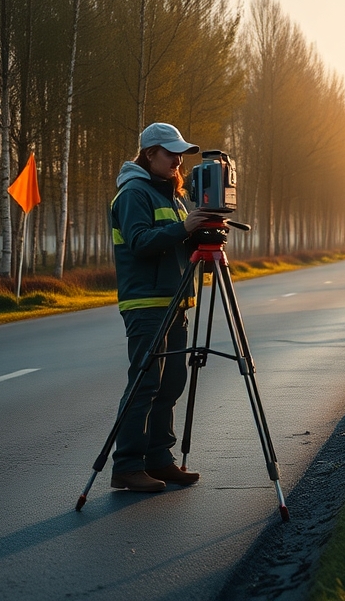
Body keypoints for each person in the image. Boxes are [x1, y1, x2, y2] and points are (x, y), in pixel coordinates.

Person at [107, 122, 212, 492]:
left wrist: (201, 235)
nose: (178, 161)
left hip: (175, 301)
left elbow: (174, 245)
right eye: (171, 153)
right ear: (150, 154)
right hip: (146, 303)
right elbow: (139, 242)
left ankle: (159, 459)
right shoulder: (133, 193)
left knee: (171, 383)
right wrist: (184, 228)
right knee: (145, 383)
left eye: (181, 155)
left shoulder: (170, 195)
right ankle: (127, 466)